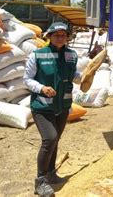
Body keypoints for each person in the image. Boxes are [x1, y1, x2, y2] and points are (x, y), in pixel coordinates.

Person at [23, 22, 80, 196]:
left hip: (62, 106)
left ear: (67, 37)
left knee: (56, 139)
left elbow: (74, 75)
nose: (60, 38)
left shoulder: (72, 55)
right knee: (50, 138)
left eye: (64, 35)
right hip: (42, 106)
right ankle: (40, 181)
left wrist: (82, 78)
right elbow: (27, 79)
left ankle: (51, 174)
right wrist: (41, 88)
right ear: (49, 36)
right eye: (57, 35)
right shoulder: (38, 55)